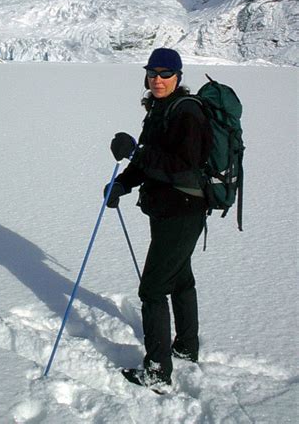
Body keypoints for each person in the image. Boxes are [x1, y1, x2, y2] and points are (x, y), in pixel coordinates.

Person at [104, 47, 212, 392]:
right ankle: (185, 347)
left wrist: (136, 151)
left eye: (166, 73)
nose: (158, 79)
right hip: (167, 211)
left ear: (178, 76)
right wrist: (123, 182)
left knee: (152, 289)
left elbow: (182, 165)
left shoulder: (187, 114)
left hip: (182, 212)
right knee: (180, 278)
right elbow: (150, 161)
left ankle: (157, 372)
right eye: (152, 72)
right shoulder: (159, 110)